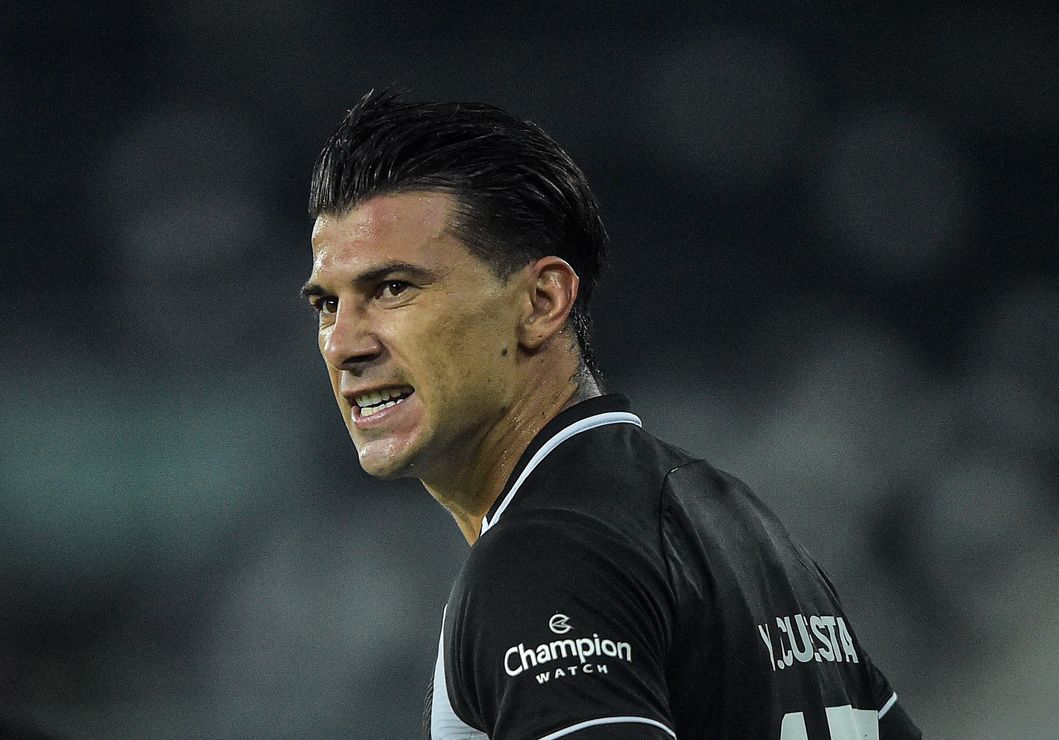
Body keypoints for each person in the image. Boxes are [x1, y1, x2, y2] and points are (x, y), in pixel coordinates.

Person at [302, 89, 922, 740]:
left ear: (542, 302)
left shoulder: (545, 559)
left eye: (393, 288)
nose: (343, 345)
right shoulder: (751, 534)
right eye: (326, 306)